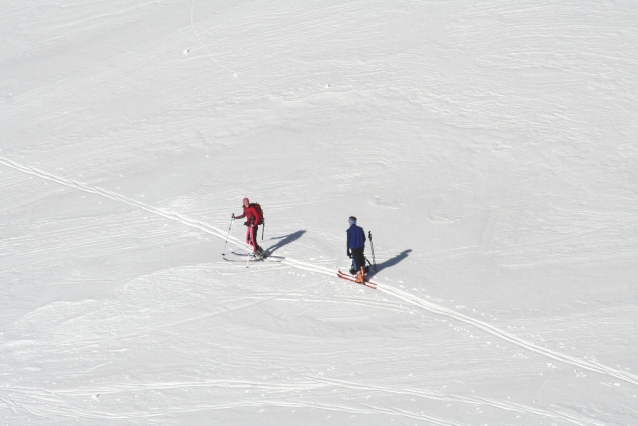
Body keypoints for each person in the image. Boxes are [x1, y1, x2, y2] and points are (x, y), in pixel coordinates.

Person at [346, 216, 366, 283]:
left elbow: (348, 241)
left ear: (350, 222)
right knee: (360, 258)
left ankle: (359, 276)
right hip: (361, 247)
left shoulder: (349, 231)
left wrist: (348, 250)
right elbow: (364, 238)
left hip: (354, 247)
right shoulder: (360, 229)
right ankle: (362, 271)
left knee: (356, 260)